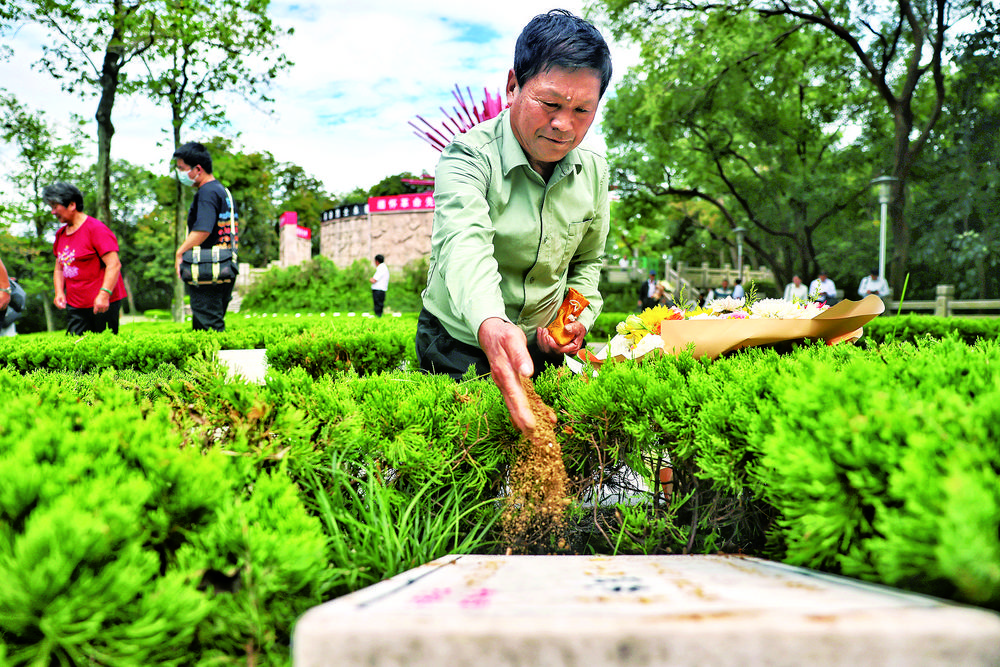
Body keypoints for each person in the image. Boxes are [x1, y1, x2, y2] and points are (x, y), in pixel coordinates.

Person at [416, 9, 612, 433]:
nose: (564, 125)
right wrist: (491, 322)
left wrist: (571, 321)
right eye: (550, 104)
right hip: (459, 342)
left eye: (583, 109)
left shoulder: (594, 171)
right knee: (462, 471)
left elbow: (587, 263)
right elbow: (464, 244)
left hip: (541, 351)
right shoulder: (468, 157)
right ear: (512, 86)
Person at [44, 182, 127, 335]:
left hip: (102, 303)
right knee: (74, 348)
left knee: (103, 349)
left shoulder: (96, 229)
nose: (53, 212)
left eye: (55, 206)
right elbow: (59, 268)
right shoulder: (60, 234)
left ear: (71, 204)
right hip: (76, 305)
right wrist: (59, 292)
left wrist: (104, 294)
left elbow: (114, 265)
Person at [173, 142, 237, 331]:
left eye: (182, 168)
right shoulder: (222, 191)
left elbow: (203, 229)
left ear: (197, 169)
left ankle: (218, 361)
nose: (180, 173)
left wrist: (179, 252)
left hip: (207, 270)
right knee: (206, 324)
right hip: (224, 268)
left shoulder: (207, 192)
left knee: (209, 329)